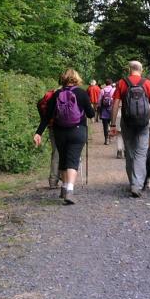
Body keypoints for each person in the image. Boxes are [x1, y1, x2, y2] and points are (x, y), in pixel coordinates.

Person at [34, 69, 95, 204]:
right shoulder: (81, 93)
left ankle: (63, 187)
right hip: (78, 130)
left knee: (63, 158)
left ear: (63, 79)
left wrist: (38, 133)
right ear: (77, 79)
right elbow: (91, 114)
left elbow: (47, 116)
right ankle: (69, 190)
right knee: (73, 160)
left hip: (59, 131)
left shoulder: (56, 94)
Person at [109, 60, 150, 198]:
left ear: (129, 70)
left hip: (127, 123)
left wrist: (113, 125)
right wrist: (147, 118)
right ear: (141, 70)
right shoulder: (147, 83)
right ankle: (137, 185)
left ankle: (132, 182)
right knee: (141, 154)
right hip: (143, 124)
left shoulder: (121, 83)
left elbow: (115, 105)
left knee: (130, 152)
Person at [34, 88, 61, 188]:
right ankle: (62, 177)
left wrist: (39, 132)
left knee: (56, 152)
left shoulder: (50, 94)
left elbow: (45, 116)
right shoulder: (66, 93)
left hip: (52, 127)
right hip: (65, 127)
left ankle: (53, 181)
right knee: (67, 151)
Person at [98, 79, 115, 145]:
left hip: (104, 110)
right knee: (112, 124)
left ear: (105, 83)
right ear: (111, 83)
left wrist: (99, 108)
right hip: (112, 110)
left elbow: (99, 101)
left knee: (105, 125)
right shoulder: (114, 90)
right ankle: (111, 138)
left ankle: (106, 139)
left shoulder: (102, 90)